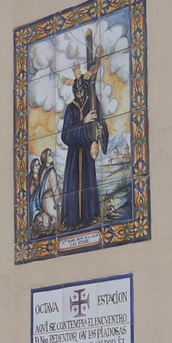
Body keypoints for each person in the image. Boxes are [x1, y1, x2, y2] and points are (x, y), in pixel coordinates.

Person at [59, 72, 103, 228]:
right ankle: (72, 221)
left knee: (88, 182)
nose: (79, 95)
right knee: (74, 186)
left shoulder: (92, 104)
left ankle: (90, 217)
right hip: (74, 156)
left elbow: (101, 124)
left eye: (81, 91)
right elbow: (66, 135)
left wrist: (98, 134)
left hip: (87, 153)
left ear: (85, 90)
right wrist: (84, 121)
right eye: (77, 92)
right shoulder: (71, 109)